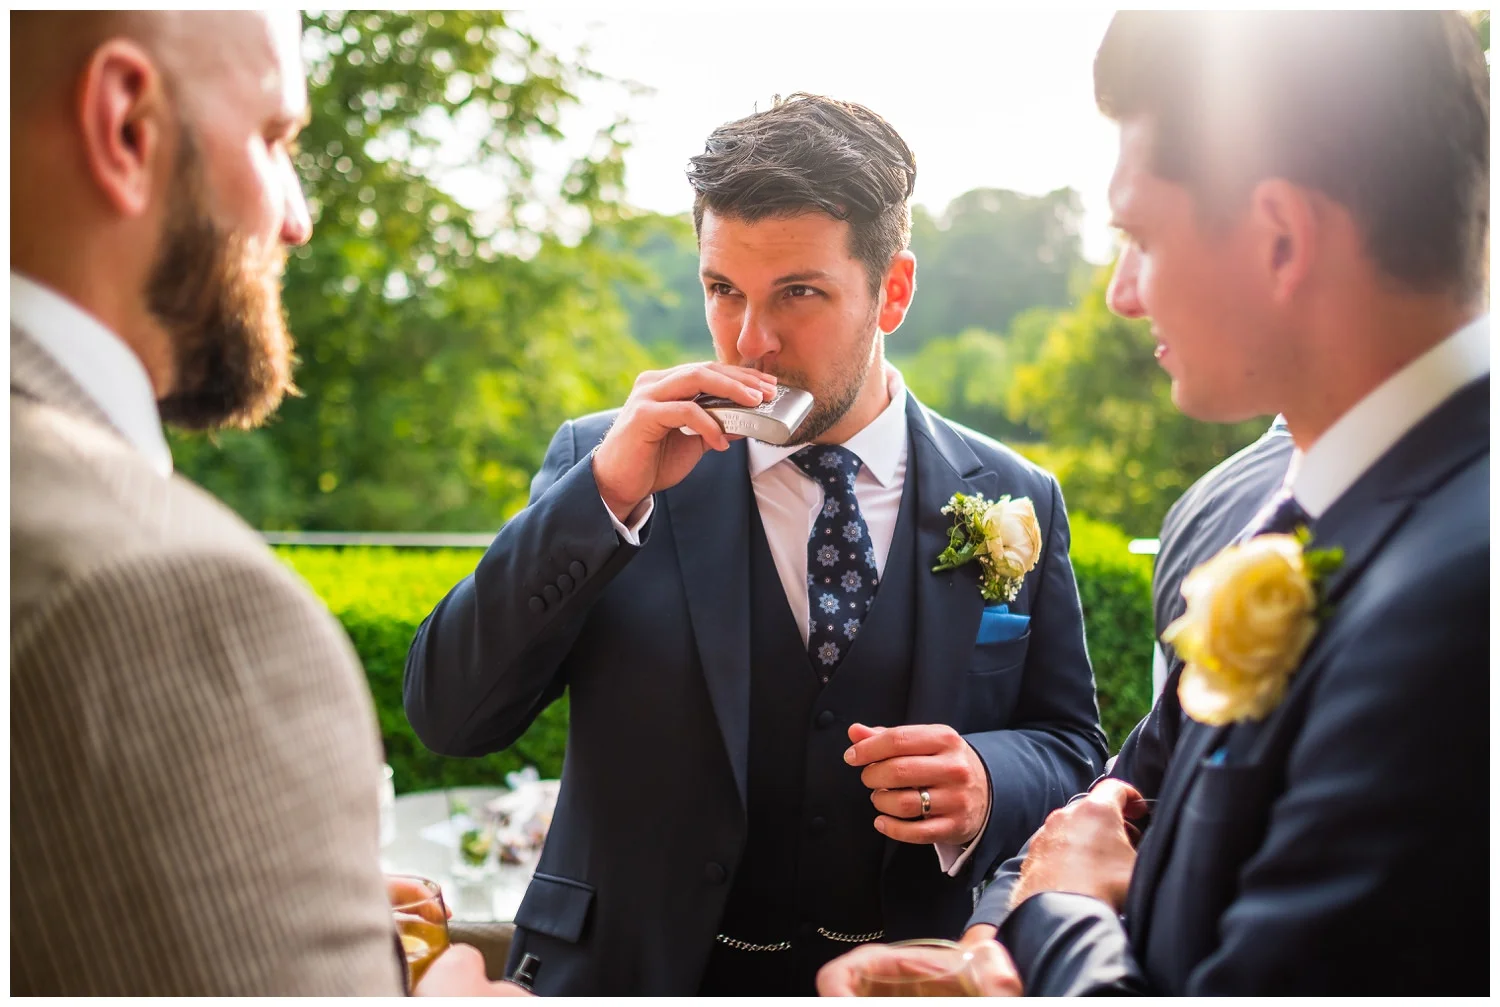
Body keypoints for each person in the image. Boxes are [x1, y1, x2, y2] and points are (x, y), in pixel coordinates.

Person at [820, 9, 1488, 996]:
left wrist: (1061, 914)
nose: (1121, 294)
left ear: (1280, 238)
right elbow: (1111, 805)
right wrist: (987, 952)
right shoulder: (1288, 522)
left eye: (1137, 234)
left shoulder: (1460, 600)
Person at [404, 93, 1108, 995]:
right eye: (722, 290)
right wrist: (605, 497)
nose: (751, 341)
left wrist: (987, 775)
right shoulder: (605, 462)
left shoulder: (1016, 496)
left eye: (799, 294)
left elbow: (1071, 745)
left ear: (891, 290)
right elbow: (450, 716)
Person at [10, 11, 516, 995]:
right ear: (126, 127)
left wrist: (255, 902)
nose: (298, 216)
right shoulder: (165, 590)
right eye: (274, 139)